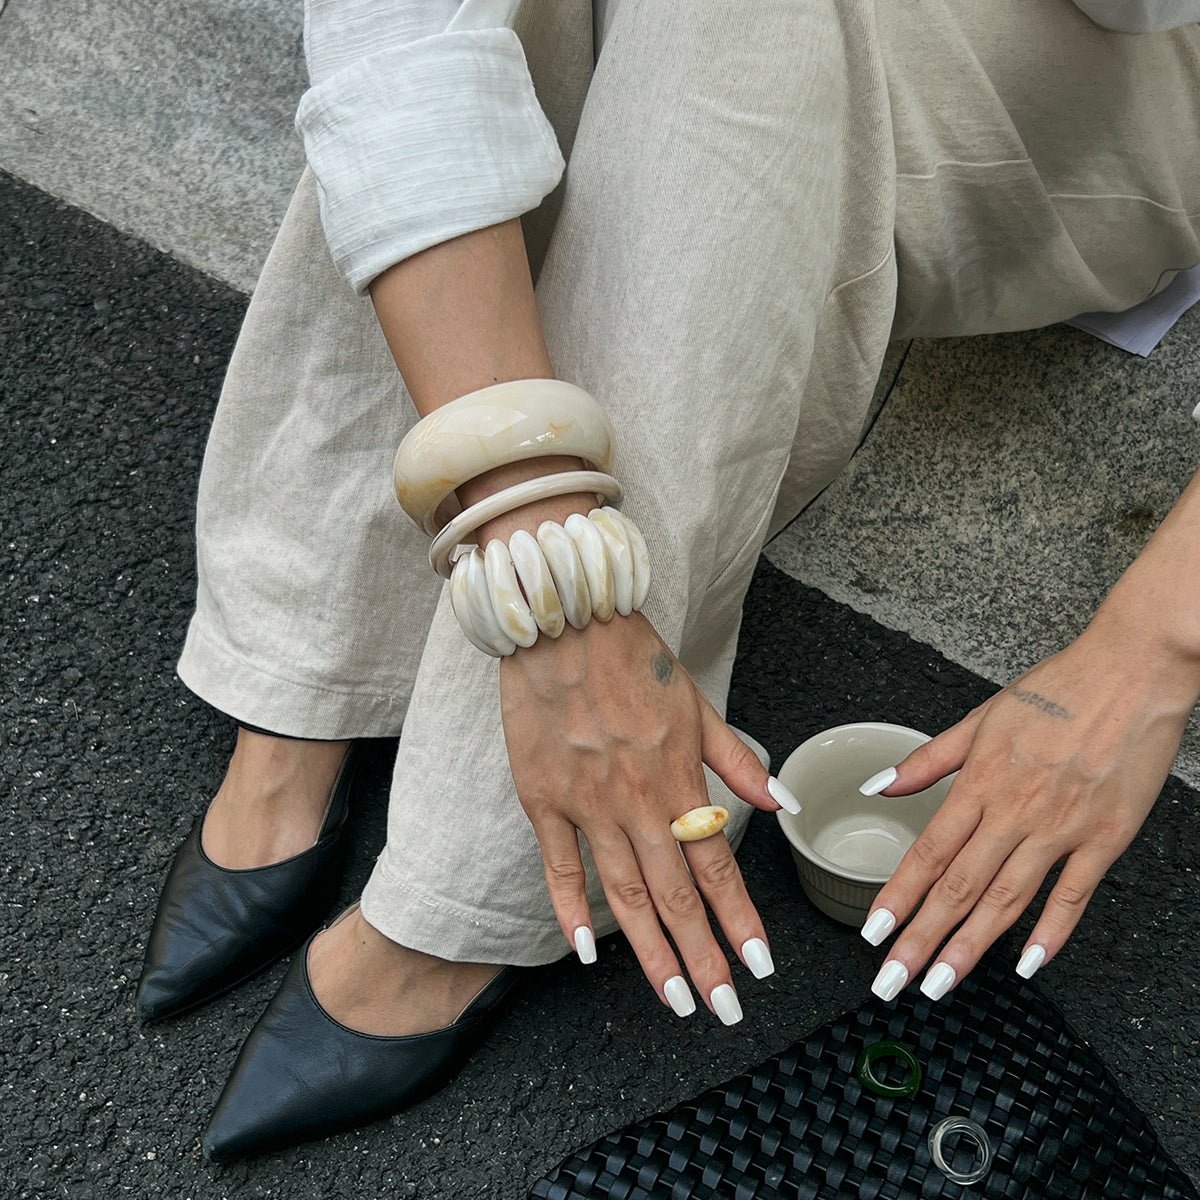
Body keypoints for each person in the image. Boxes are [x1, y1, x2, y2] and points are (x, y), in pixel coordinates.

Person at [135, 0, 1200, 1164]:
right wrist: (547, 570)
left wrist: (1151, 656)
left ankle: (469, 877)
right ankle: (324, 670)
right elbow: (400, 41)